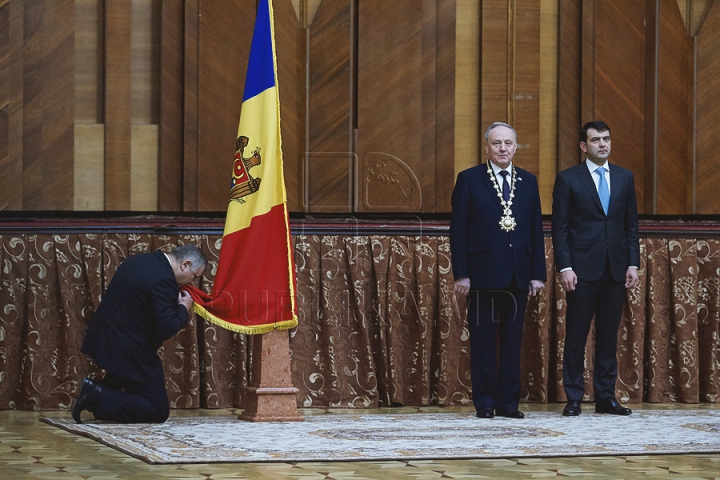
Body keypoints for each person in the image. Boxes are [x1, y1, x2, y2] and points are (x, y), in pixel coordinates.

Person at [450, 122, 546, 419]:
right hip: (481, 275)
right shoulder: (469, 179)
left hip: (518, 274)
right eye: (497, 143)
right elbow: (458, 231)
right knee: (483, 341)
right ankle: (486, 402)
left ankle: (509, 403)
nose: (503, 148)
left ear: (516, 147)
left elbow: (535, 229)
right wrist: (462, 273)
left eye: (508, 143)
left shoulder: (528, 181)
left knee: (512, 342)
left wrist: (537, 273)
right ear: (487, 147)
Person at [551, 120, 640, 417]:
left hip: (615, 269)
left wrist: (632, 263)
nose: (602, 144)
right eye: (595, 140)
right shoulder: (568, 179)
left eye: (606, 139)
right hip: (581, 269)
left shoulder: (625, 177)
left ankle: (605, 397)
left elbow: (630, 225)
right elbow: (560, 228)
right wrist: (565, 266)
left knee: (607, 336)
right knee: (576, 335)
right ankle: (574, 397)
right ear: (583, 146)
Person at [72, 244, 207, 424]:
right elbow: (166, 328)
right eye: (194, 276)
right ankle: (98, 394)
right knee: (157, 410)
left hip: (107, 338)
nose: (192, 282)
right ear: (185, 265)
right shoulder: (164, 280)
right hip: (129, 349)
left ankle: (95, 394)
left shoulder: (140, 260)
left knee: (119, 386)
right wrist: (183, 307)